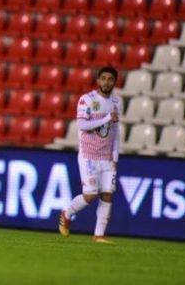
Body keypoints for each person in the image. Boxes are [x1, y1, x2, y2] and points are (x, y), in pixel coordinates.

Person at [59, 66, 121, 243]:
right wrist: (106, 118)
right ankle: (67, 213)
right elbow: (81, 125)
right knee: (90, 195)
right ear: (98, 80)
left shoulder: (116, 103)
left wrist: (115, 157)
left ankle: (99, 235)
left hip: (106, 157)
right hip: (89, 155)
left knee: (108, 194)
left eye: (110, 79)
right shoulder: (87, 100)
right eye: (103, 78)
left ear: (114, 82)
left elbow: (116, 133)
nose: (106, 82)